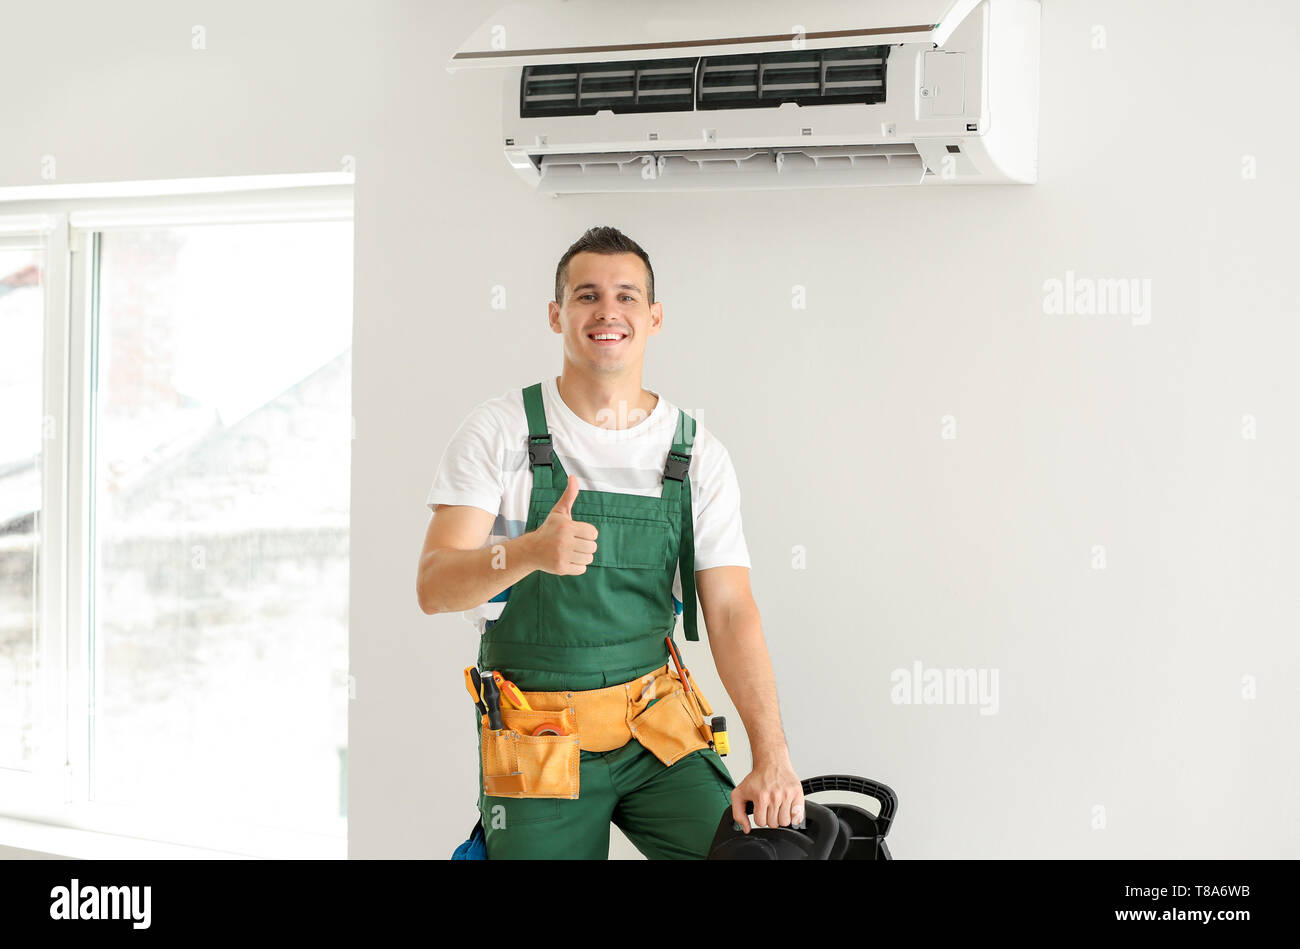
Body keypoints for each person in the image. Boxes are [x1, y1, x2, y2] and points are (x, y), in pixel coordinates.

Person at [417, 226, 803, 859]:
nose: (607, 312)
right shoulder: (499, 431)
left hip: (656, 726)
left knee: (752, 856)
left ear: (653, 317)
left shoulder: (695, 451)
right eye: (586, 295)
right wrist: (527, 553)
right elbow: (434, 585)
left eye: (627, 296)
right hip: (539, 738)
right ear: (556, 314)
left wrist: (772, 757)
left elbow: (733, 611)